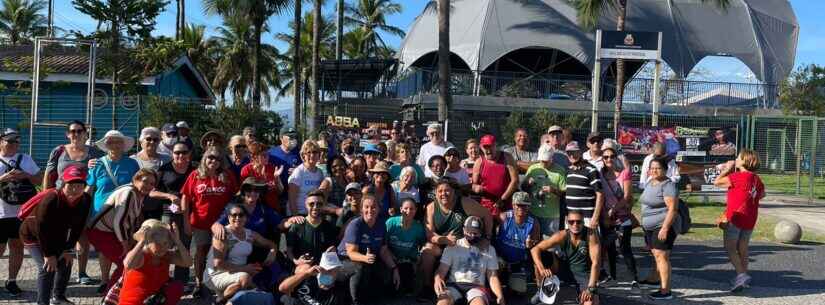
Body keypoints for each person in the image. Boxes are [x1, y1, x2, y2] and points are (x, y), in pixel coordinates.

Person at [20, 165, 92, 305]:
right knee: (47, 267)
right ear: (63, 185)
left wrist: (68, 249)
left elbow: (78, 226)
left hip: (57, 234)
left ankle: (58, 297)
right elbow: (42, 228)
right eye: (70, 185)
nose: (75, 189)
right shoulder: (51, 199)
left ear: (84, 186)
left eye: (79, 185)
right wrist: (48, 255)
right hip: (33, 234)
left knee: (66, 261)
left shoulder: (85, 199)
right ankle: (42, 302)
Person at [180, 147, 239, 297]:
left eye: (217, 159)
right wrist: (186, 221)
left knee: (223, 254)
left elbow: (236, 196)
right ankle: (199, 284)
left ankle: (221, 284)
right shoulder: (195, 175)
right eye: (210, 157)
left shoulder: (227, 176)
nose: (213, 161)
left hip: (223, 223)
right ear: (204, 159)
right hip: (201, 222)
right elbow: (185, 198)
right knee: (201, 252)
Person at [86, 130, 141, 292]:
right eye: (111, 142)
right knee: (105, 249)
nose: (115, 145)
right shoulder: (97, 164)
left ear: (124, 145)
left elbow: (137, 187)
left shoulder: (132, 164)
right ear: (106, 145)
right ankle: (105, 281)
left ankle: (123, 279)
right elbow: (90, 187)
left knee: (125, 244)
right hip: (101, 213)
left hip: (125, 212)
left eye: (118, 142)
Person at [420, 179, 492, 299]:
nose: (443, 194)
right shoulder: (431, 207)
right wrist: (444, 239)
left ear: (454, 191)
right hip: (442, 244)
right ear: (435, 193)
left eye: (447, 190)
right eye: (440, 191)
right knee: (428, 250)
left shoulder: (464, 203)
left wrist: (487, 237)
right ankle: (427, 286)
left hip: (462, 245)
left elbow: (487, 215)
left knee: (484, 251)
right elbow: (430, 235)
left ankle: (479, 288)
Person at [87, 168, 157, 290]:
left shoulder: (138, 194)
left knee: (131, 260)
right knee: (126, 262)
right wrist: (125, 245)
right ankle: (111, 295)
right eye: (145, 181)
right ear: (136, 179)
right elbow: (118, 222)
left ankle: (122, 290)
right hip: (99, 231)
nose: (148, 186)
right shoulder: (129, 192)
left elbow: (127, 222)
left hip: (108, 232)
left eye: (152, 184)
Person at [204, 204, 278, 303]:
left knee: (256, 288)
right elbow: (218, 264)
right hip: (217, 274)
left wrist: (273, 252)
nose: (237, 218)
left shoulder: (250, 234)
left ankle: (221, 299)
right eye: (234, 215)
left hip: (236, 274)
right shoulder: (223, 234)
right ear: (229, 217)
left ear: (246, 218)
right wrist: (245, 269)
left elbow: (271, 244)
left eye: (241, 215)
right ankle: (220, 302)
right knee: (245, 278)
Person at [713, 150, 764, 292]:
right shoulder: (756, 179)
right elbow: (762, 194)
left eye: (738, 158)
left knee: (730, 248)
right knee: (743, 248)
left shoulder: (737, 177)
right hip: (750, 217)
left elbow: (716, 182)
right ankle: (743, 277)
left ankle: (741, 275)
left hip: (736, 217)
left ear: (744, 161)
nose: (735, 159)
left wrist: (727, 170)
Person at [0, 128, 42, 296]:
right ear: (1, 141)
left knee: (17, 247)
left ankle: (11, 281)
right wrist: (3, 178)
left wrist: (24, 175)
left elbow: (39, 179)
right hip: (1, 213)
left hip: (21, 213)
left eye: (16, 141)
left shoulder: (26, 159)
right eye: (10, 141)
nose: (14, 144)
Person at [530, 210, 602, 305]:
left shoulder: (591, 235)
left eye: (578, 222)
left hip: (583, 274)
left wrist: (591, 288)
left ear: (583, 222)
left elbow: (596, 263)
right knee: (542, 256)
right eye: (571, 222)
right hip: (564, 269)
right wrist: (542, 269)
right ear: (567, 222)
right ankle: (542, 290)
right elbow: (535, 249)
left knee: (590, 302)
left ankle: (584, 295)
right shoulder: (562, 234)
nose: (575, 224)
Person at [336, 195, 396, 305]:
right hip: (345, 259)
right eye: (366, 207)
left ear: (379, 209)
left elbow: (383, 250)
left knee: (386, 272)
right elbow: (351, 252)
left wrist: (394, 268)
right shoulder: (355, 224)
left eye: (373, 207)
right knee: (359, 268)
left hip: (367, 258)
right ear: (361, 209)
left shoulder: (381, 225)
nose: (370, 210)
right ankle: (355, 301)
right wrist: (365, 258)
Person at [434, 216, 505, 305]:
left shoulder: (489, 249)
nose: (472, 236)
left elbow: (492, 276)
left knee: (479, 303)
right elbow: (441, 270)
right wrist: (438, 278)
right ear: (464, 230)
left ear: (481, 232)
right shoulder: (453, 246)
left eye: (475, 233)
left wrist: (499, 295)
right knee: (443, 302)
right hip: (454, 284)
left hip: (476, 286)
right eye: (469, 232)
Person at [118, 219, 192, 305]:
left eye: (165, 243)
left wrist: (178, 242)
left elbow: (188, 263)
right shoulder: (141, 256)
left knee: (176, 287)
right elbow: (127, 264)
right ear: (148, 242)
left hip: (152, 301)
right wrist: (141, 242)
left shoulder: (166, 255)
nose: (163, 247)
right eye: (158, 243)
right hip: (132, 303)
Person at [152, 142, 196, 283]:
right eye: (177, 152)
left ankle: (181, 282)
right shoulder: (164, 169)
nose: (180, 155)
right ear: (172, 153)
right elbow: (152, 192)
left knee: (184, 246)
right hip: (169, 211)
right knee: (164, 245)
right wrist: (169, 196)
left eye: (184, 152)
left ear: (189, 154)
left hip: (189, 212)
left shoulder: (194, 169)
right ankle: (161, 279)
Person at [639, 158, 680, 300]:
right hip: (650, 227)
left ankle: (665, 291)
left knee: (662, 256)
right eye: (652, 168)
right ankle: (654, 279)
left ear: (665, 169)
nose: (654, 170)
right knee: (656, 255)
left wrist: (665, 228)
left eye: (658, 168)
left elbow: (673, 210)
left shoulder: (668, 185)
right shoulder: (650, 182)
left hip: (662, 226)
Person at [599, 141, 639, 286]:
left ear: (617, 157)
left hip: (622, 217)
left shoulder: (624, 173)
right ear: (602, 159)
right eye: (606, 157)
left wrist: (613, 210)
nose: (609, 159)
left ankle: (634, 278)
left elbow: (627, 196)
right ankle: (613, 276)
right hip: (607, 218)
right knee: (609, 247)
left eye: (612, 156)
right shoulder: (600, 175)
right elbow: (600, 196)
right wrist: (604, 214)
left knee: (624, 247)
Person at [494, 192, 540, 295]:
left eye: (525, 205)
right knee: (497, 264)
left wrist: (531, 244)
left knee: (519, 291)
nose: (521, 207)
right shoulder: (504, 217)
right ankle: (496, 283)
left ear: (529, 206)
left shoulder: (534, 222)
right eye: (518, 204)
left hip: (517, 262)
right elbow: (492, 236)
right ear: (513, 205)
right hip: (501, 260)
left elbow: (536, 246)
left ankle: (511, 282)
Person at [43, 120, 103, 190]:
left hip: (85, 196)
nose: (76, 134)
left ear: (85, 134)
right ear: (68, 134)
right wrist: (46, 194)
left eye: (79, 131)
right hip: (61, 194)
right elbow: (48, 174)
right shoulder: (58, 151)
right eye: (73, 131)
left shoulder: (95, 153)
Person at [286, 190, 338, 270]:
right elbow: (289, 250)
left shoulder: (329, 227)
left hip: (323, 269)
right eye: (311, 204)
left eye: (319, 204)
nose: (315, 207)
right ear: (306, 205)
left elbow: (332, 250)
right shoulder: (297, 225)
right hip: (301, 269)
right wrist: (297, 261)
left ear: (324, 205)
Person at [385, 198, 427, 296]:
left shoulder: (418, 227)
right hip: (390, 258)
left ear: (416, 210)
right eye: (406, 208)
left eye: (411, 209)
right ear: (400, 209)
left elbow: (423, 244)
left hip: (407, 260)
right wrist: (391, 257)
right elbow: (383, 244)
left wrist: (418, 258)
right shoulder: (391, 223)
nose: (408, 211)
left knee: (405, 288)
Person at [523, 144, 566, 237]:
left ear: (552, 158)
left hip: (551, 216)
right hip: (533, 213)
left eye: (546, 161)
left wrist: (553, 190)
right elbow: (523, 188)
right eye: (542, 161)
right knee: (532, 242)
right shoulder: (533, 169)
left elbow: (565, 193)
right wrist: (528, 184)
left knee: (550, 246)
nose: (543, 163)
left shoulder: (560, 171)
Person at [471, 134, 519, 217]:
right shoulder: (479, 162)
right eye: (485, 147)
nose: (488, 150)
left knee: (505, 226)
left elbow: (515, 180)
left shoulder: (507, 157)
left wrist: (503, 199)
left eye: (490, 146)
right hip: (486, 205)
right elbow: (474, 184)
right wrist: (476, 188)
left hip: (506, 203)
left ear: (496, 146)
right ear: (481, 147)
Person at [278, 251, 348, 305]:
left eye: (333, 271)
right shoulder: (307, 278)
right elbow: (282, 288)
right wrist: (306, 273)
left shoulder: (338, 292)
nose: (328, 273)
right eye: (326, 269)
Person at [564, 141, 604, 231]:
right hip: (571, 219)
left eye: (574, 152)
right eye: (569, 153)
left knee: (591, 244)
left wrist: (595, 217)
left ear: (580, 152)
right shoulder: (568, 171)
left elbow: (600, 194)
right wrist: (567, 215)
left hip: (587, 218)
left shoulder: (591, 170)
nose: (572, 155)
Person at [241, 142, 284, 211]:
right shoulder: (247, 170)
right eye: (264, 155)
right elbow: (245, 194)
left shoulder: (272, 168)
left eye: (268, 154)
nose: (267, 157)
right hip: (255, 209)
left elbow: (280, 191)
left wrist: (276, 178)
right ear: (254, 157)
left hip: (273, 208)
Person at [287, 140, 324, 216]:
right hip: (298, 213)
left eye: (314, 152)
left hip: (313, 213)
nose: (312, 155)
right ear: (303, 155)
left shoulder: (320, 173)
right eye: (308, 152)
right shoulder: (299, 172)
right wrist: (295, 216)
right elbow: (292, 198)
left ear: (319, 154)